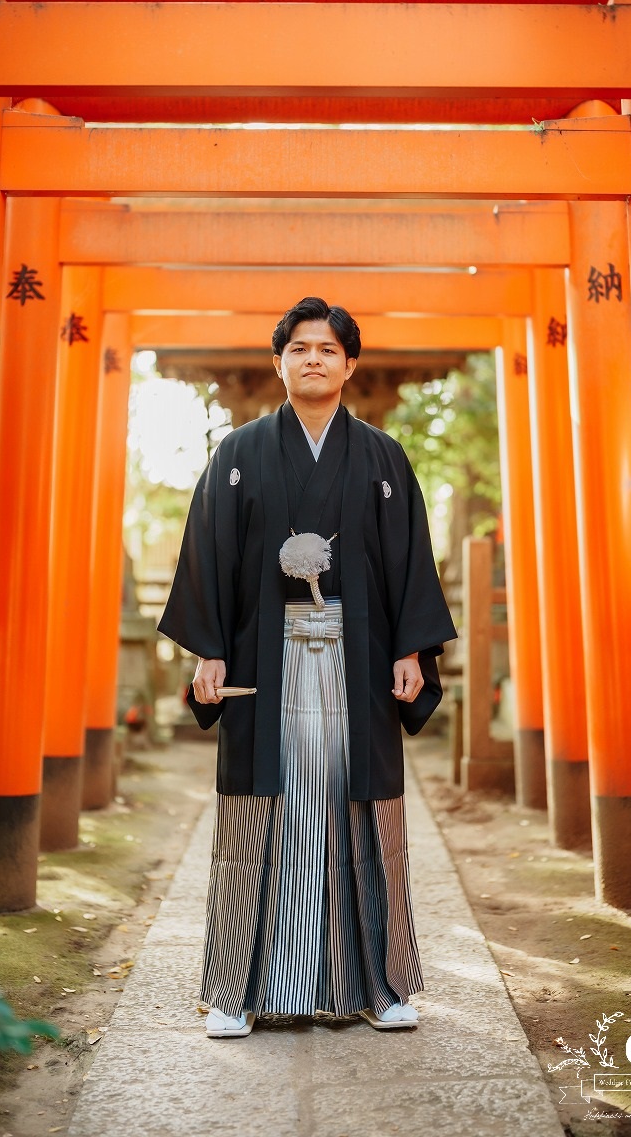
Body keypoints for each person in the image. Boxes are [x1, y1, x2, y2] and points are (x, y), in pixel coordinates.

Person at [157, 297, 456, 1038]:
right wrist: (210, 649)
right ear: (278, 363)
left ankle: (380, 986)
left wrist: (409, 648)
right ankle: (237, 988)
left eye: (327, 349)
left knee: (363, 818)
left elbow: (407, 563)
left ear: (350, 364)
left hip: (356, 665)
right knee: (261, 816)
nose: (313, 359)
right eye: (299, 348)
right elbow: (209, 557)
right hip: (265, 660)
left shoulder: (382, 457)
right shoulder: (238, 455)